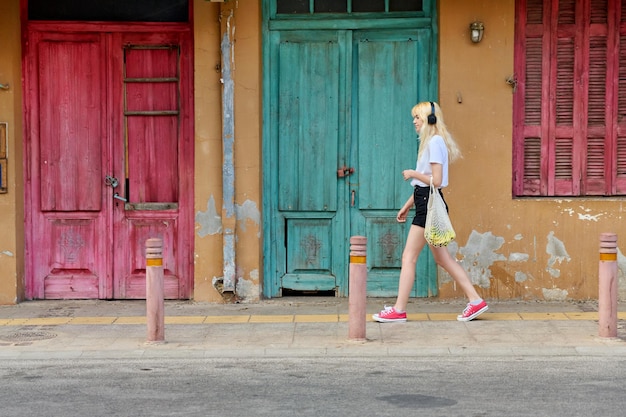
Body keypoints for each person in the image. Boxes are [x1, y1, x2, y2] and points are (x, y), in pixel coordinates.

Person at [373, 101, 488, 323]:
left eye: (418, 117)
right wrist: (407, 205)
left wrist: (413, 172)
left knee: (409, 257)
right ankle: (475, 301)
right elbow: (425, 187)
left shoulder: (434, 142)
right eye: (414, 118)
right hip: (426, 201)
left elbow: (436, 181)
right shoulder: (432, 142)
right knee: (443, 259)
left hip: (428, 204)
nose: (414, 122)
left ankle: (398, 309)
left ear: (430, 119)